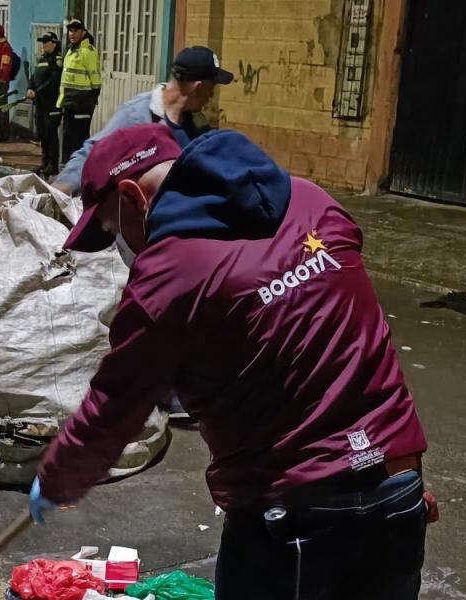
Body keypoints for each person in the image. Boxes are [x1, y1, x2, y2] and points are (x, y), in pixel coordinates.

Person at [28, 123, 435, 599]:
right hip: (397, 486)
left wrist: (59, 477)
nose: (122, 245)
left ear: (133, 197)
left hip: (294, 515)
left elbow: (116, 403)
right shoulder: (311, 200)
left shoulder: (166, 274)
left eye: (113, 229)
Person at [53, 45, 232, 195]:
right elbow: (94, 153)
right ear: (198, 87)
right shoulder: (138, 115)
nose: (211, 95)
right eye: (212, 87)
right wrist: (60, 190)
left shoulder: (197, 123)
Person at [58, 19, 101, 161]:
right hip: (69, 101)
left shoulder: (88, 51)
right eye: (70, 30)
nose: (72, 33)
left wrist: (93, 98)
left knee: (79, 138)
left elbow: (95, 78)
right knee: (68, 137)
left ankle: (82, 167)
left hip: (81, 102)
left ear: (83, 32)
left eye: (76, 30)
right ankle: (68, 166)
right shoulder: (71, 51)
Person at [27, 31, 63, 177]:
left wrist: (38, 91)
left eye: (46, 42)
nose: (43, 45)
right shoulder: (42, 59)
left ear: (54, 43)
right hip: (40, 103)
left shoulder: (57, 60)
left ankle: (53, 165)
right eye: (42, 42)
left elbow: (53, 82)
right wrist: (30, 88)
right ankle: (45, 161)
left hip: (51, 103)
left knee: (51, 134)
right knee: (42, 133)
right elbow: (34, 76)